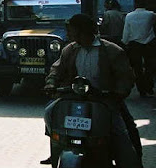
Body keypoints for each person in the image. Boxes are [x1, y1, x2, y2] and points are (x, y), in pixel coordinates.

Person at [41, 13, 142, 167]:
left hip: (105, 101)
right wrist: (51, 83)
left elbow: (125, 77)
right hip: (72, 99)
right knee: (50, 111)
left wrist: (118, 93)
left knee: (122, 133)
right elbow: (56, 69)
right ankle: (56, 148)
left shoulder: (111, 51)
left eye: (71, 30)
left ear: (83, 31)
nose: (69, 34)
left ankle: (131, 162)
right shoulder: (70, 49)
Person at [122, 0, 156, 97]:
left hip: (134, 45)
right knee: (150, 66)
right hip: (149, 43)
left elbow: (126, 31)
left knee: (137, 68)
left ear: (135, 4)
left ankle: (141, 89)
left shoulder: (129, 16)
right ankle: (149, 86)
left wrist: (125, 42)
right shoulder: (151, 15)